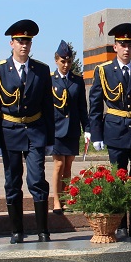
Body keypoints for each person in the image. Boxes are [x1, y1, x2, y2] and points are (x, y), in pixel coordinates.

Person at [88, 23, 131, 237]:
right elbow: (95, 105)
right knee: (117, 180)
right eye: (122, 44)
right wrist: (97, 134)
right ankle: (119, 225)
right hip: (115, 131)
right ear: (115, 47)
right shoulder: (104, 71)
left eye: (130, 45)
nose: (127, 49)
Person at [0, 20, 54, 244]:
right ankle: (17, 231)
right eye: (20, 41)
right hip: (10, 131)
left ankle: (43, 230)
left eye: (28, 41)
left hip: (35, 130)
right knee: (13, 181)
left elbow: (47, 107)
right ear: (11, 43)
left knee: (37, 180)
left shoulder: (42, 70)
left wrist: (50, 140)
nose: (24, 45)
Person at [49, 41, 89, 215]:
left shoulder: (77, 81)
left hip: (72, 129)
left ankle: (66, 198)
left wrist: (87, 128)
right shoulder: (49, 80)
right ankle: (57, 201)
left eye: (69, 62)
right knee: (58, 164)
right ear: (56, 60)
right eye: (62, 61)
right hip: (56, 129)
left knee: (68, 165)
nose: (66, 65)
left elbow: (82, 107)